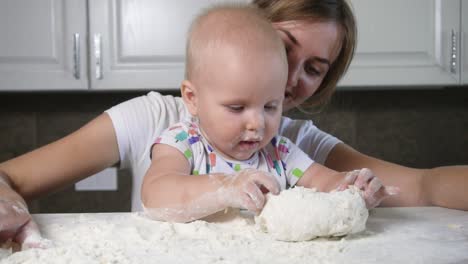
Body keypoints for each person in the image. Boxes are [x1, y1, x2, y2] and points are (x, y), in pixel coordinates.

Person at [0, 0, 466, 247]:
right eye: (283, 48)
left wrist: (352, 188)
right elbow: (160, 192)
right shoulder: (165, 126)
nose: (288, 80)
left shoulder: (287, 144)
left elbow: (421, 186)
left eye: (315, 68)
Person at [141, 4, 394, 223]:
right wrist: (226, 187)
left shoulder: (279, 152)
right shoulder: (182, 143)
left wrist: (353, 189)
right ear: (192, 99)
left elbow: (325, 182)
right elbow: (156, 194)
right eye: (237, 108)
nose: (256, 123)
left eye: (270, 107)